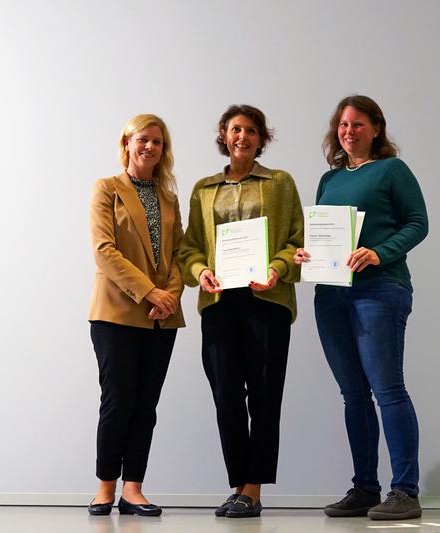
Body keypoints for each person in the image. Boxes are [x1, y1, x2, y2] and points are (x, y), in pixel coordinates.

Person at [294, 95, 428, 521]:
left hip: (380, 291)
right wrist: (307, 253)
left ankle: (405, 490)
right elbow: (321, 234)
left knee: (388, 389)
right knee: (353, 395)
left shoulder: (393, 170)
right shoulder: (328, 180)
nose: (348, 131)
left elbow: (417, 223)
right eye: (343, 125)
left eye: (357, 124)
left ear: (376, 129)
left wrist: (379, 252)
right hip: (331, 295)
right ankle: (365, 488)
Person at [179, 105, 303, 518]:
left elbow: (296, 241)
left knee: (265, 398)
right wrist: (201, 271)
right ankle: (237, 485)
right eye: (236, 129)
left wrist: (276, 269)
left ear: (261, 138)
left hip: (266, 301)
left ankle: (253, 489)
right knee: (225, 395)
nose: (243, 137)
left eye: (251, 130)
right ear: (224, 134)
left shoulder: (280, 183)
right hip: (218, 303)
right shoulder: (203, 189)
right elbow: (189, 248)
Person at [87, 114, 185, 517]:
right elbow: (104, 250)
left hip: (161, 316)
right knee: (117, 401)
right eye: (143, 139)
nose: (150, 147)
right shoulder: (106, 189)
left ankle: (133, 489)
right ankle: (104, 487)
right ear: (126, 143)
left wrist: (170, 296)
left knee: (146, 404)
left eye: (158, 142)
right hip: (116, 313)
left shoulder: (169, 198)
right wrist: (149, 290)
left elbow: (178, 254)